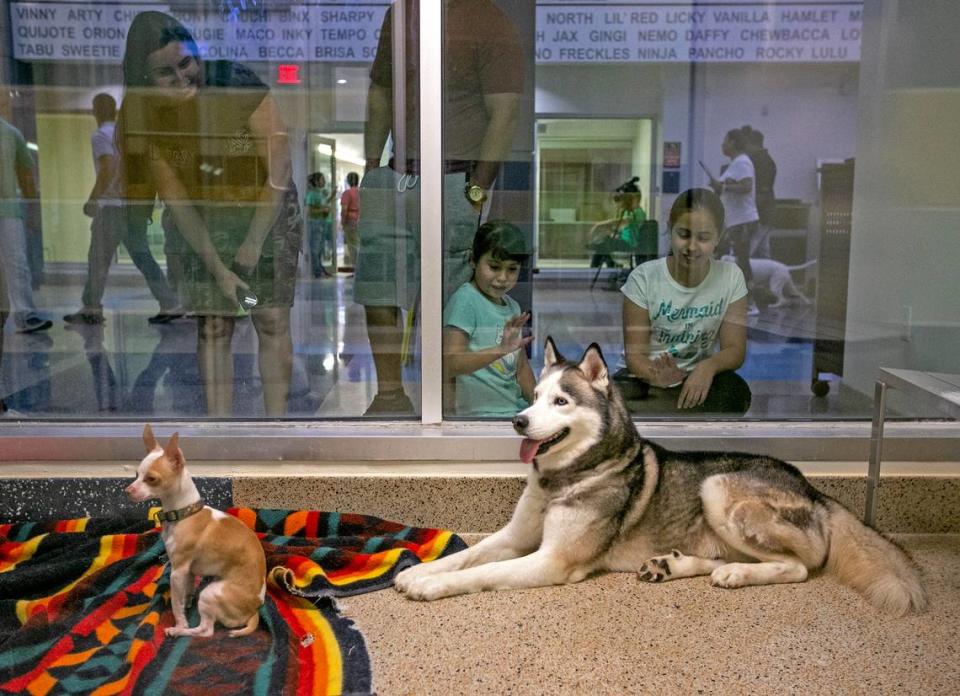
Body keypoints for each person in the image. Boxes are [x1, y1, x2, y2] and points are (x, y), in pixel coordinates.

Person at [118, 11, 302, 416]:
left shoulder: (235, 82)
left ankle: (275, 428)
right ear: (146, 77)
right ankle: (222, 432)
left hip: (267, 210)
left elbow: (279, 168)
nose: (183, 78)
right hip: (203, 216)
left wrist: (252, 245)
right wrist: (220, 269)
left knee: (269, 317)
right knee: (215, 323)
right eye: (166, 73)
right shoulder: (144, 114)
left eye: (186, 63)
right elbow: (179, 204)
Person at [356, 0, 524, 415]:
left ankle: (443, 400)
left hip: (455, 175)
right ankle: (390, 394)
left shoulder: (489, 18)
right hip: (397, 170)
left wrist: (477, 187)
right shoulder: (403, 13)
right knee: (379, 289)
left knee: (449, 299)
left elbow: (504, 111)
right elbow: (381, 89)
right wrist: (372, 166)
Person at [619, 188, 751, 414]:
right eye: (683, 234)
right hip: (647, 379)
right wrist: (657, 376)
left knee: (736, 392)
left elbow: (735, 349)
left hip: (696, 379)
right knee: (617, 395)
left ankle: (672, 406)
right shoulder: (643, 278)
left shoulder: (731, 277)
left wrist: (707, 367)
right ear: (670, 230)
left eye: (703, 238)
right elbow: (635, 356)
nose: (692, 246)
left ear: (718, 237)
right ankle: (677, 406)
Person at [64, 93, 182, 325]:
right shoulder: (124, 136)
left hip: (112, 207)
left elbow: (109, 167)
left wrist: (93, 200)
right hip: (132, 205)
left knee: (98, 258)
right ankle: (170, 303)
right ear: (115, 109)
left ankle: (91, 307)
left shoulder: (101, 136)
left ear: (95, 111)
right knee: (142, 256)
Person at [443, 221, 534, 417]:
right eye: (494, 267)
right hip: (478, 417)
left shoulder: (512, 306)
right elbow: (450, 364)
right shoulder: (465, 300)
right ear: (473, 260)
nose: (503, 277)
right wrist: (499, 350)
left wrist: (539, 405)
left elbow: (522, 369)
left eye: (512, 269)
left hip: (514, 412)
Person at [0, 114, 51, 334]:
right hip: (10, 211)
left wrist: (32, 211)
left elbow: (26, 176)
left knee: (17, 261)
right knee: (16, 261)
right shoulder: (11, 133)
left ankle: (26, 313)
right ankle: (25, 313)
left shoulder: (11, 133)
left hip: (9, 210)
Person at [705, 127, 760, 316]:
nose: (722, 145)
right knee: (732, 259)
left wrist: (724, 186)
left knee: (741, 261)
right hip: (735, 221)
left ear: (734, 143)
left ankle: (751, 303)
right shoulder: (736, 163)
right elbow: (726, 189)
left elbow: (746, 186)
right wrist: (719, 187)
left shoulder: (742, 162)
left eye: (725, 141)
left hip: (743, 221)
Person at [588, 176, 652, 276]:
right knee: (603, 249)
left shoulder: (638, 212)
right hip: (623, 241)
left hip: (630, 244)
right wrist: (609, 230)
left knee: (603, 245)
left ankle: (593, 273)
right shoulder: (628, 212)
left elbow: (624, 222)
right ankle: (608, 274)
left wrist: (600, 224)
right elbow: (620, 229)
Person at [741, 125, 777, 258]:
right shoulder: (763, 161)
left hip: (760, 213)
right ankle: (769, 276)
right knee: (763, 250)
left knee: (749, 249)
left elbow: (762, 193)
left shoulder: (763, 163)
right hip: (764, 213)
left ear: (752, 144)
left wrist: (749, 215)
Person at [305, 172, 335, 277]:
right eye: (322, 179)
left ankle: (320, 268)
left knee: (320, 248)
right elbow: (309, 211)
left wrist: (332, 196)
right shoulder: (312, 194)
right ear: (316, 181)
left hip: (322, 223)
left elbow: (322, 204)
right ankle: (316, 271)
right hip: (315, 223)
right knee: (315, 248)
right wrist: (323, 210)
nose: (324, 181)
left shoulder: (320, 193)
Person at [339, 172, 360, 269]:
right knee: (359, 243)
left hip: (351, 220)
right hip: (361, 219)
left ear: (348, 181)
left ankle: (356, 268)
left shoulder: (347, 193)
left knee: (353, 245)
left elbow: (344, 209)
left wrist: (343, 222)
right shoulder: (361, 192)